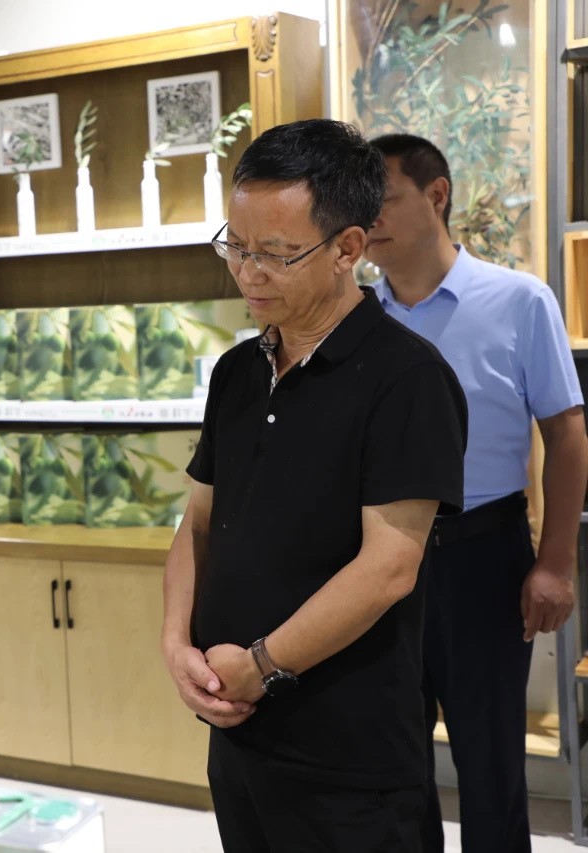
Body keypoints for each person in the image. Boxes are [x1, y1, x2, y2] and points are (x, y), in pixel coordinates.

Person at [160, 118, 468, 852]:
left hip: (350, 758)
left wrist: (261, 666)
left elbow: (389, 567)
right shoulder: (236, 371)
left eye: (275, 253)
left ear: (347, 249)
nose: (247, 273)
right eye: (236, 246)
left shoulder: (407, 378)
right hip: (239, 734)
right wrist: (176, 642)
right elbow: (197, 523)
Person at [365, 133, 588, 853]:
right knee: (393, 760)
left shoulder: (519, 300)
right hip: (376, 556)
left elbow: (567, 435)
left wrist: (555, 563)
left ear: (437, 195)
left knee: (491, 762)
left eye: (384, 198)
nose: (368, 217)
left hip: (483, 554)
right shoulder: (356, 318)